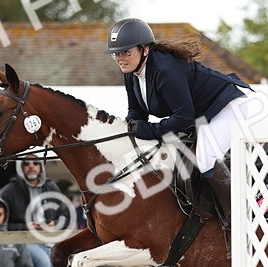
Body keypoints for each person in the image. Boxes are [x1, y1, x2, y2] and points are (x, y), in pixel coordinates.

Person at [106, 17, 252, 223]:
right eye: (116, 54)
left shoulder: (166, 70)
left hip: (226, 107)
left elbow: (183, 118)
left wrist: (149, 130)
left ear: (145, 49)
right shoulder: (131, 72)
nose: (120, 58)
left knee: (205, 159)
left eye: (126, 52)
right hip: (200, 116)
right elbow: (136, 111)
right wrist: (129, 130)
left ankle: (240, 217)